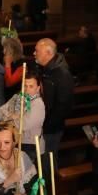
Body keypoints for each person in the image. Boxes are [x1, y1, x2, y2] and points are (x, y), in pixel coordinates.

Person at [34, 39, 74, 169]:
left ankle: (50, 187)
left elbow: (64, 105)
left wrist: (47, 125)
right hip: (44, 124)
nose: (34, 53)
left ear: (48, 53)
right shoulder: (46, 69)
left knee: (48, 161)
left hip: (51, 128)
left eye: (37, 51)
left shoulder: (61, 74)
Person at [0, 71, 46, 161]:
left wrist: (9, 120)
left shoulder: (37, 104)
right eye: (25, 86)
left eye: (31, 86)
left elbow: (23, 125)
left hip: (30, 145)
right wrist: (11, 116)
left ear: (38, 88)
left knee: (26, 172)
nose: (27, 89)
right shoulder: (17, 97)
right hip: (15, 142)